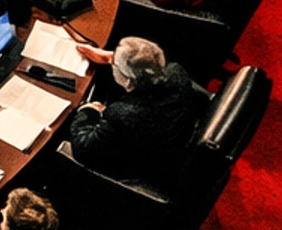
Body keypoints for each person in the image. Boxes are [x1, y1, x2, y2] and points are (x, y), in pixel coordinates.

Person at [68, 36, 208, 188]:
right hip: (173, 143)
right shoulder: (176, 72)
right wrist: (111, 58)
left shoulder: (123, 114)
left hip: (144, 172)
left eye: (115, 65)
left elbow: (83, 149)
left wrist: (89, 111)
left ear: (127, 80)